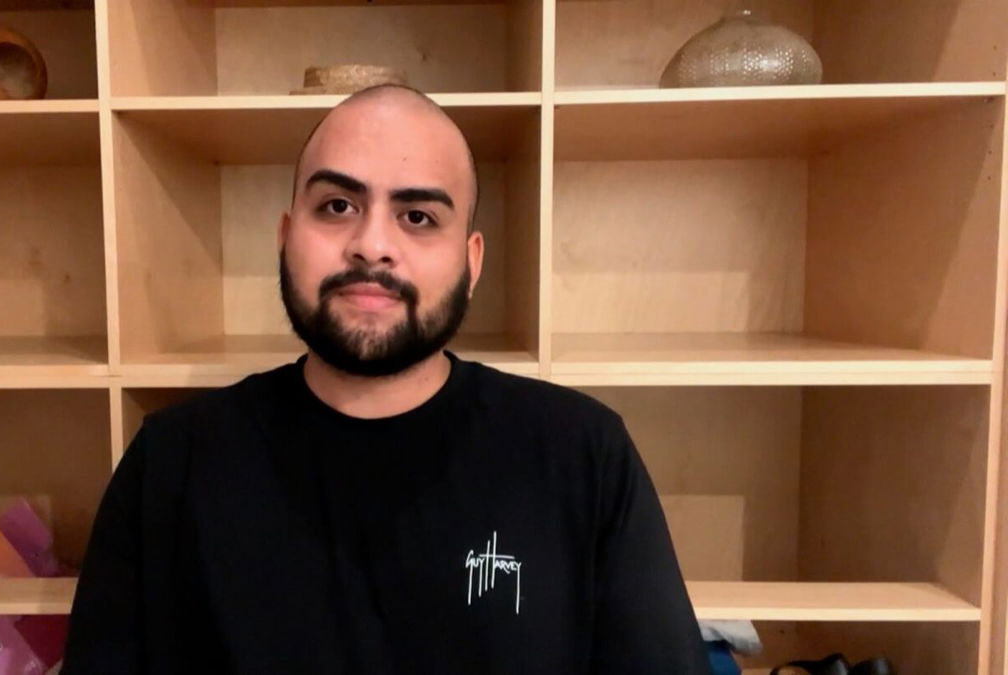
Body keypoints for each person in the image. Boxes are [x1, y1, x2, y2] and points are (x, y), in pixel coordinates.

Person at [62, 84, 710, 674]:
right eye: (337, 204)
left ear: (471, 260)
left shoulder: (581, 453)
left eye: (418, 216)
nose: (372, 245)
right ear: (287, 238)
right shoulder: (171, 463)